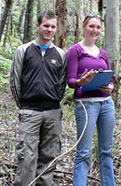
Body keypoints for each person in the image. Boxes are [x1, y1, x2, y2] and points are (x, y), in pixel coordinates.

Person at [10, 10, 66, 186]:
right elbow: (15, 81)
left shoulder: (60, 54)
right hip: (30, 111)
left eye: (52, 26)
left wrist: (54, 100)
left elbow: (61, 83)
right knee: (27, 157)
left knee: (49, 156)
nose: (49, 30)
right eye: (46, 26)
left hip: (52, 113)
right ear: (38, 26)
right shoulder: (23, 50)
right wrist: (25, 105)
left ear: (56, 29)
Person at [66, 14, 115, 186]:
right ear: (84, 27)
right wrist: (82, 82)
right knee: (83, 152)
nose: (95, 30)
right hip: (86, 105)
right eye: (91, 26)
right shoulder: (75, 51)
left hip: (107, 104)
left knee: (106, 151)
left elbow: (110, 79)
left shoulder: (103, 53)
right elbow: (71, 81)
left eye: (98, 27)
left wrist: (111, 87)